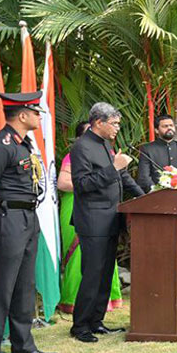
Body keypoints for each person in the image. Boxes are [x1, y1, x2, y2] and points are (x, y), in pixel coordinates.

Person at [0, 91, 59, 353]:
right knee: (1, 289)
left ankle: (23, 345)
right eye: (36, 112)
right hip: (6, 217)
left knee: (25, 284)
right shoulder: (0, 145)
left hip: (27, 216)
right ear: (22, 115)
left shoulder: (24, 144)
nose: (39, 117)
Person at [69, 102, 146, 343]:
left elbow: (121, 176)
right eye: (113, 123)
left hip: (112, 218)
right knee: (92, 273)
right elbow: (83, 184)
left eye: (118, 124)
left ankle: (96, 321)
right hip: (93, 220)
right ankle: (80, 326)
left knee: (105, 273)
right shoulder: (81, 147)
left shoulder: (106, 144)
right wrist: (114, 167)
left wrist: (146, 196)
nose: (117, 128)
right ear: (98, 122)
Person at [57, 123, 123, 315]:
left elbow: (121, 177)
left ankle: (100, 311)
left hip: (106, 213)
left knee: (104, 261)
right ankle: (74, 303)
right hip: (81, 208)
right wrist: (96, 184)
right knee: (81, 258)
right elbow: (64, 183)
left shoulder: (106, 153)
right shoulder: (76, 155)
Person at [135, 114, 177, 191]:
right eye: (165, 126)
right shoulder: (147, 149)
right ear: (156, 130)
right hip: (156, 196)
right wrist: (157, 191)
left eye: (171, 125)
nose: (169, 128)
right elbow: (144, 178)